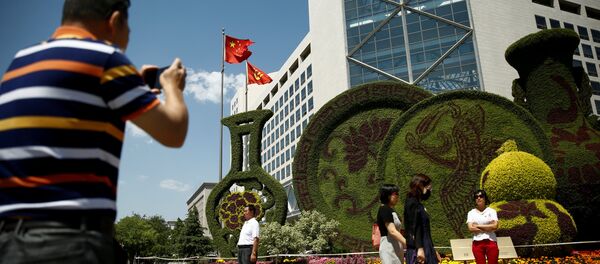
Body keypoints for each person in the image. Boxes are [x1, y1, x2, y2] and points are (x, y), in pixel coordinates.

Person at [0, 0, 188, 263]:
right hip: (72, 241)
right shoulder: (106, 59)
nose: (130, 35)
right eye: (129, 25)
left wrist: (134, 86)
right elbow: (174, 132)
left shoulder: (20, 61)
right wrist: (172, 87)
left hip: (9, 240)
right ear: (114, 21)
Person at [404, 174, 441, 264]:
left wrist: (433, 250)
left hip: (426, 246)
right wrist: (419, 249)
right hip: (419, 248)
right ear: (420, 185)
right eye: (428, 186)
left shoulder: (417, 203)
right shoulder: (412, 202)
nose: (430, 189)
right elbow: (414, 228)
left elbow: (425, 230)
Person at [377, 184, 407, 264]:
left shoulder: (391, 210)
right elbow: (392, 231)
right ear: (387, 195)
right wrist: (408, 243)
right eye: (395, 194)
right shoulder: (384, 209)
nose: (398, 196)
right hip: (388, 247)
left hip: (396, 247)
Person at [466, 190, 499, 264]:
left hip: (491, 241)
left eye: (481, 196)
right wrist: (488, 227)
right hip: (477, 243)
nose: (478, 198)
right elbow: (471, 228)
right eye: (476, 197)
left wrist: (477, 225)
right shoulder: (471, 213)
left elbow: (495, 226)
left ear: (485, 198)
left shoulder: (492, 211)